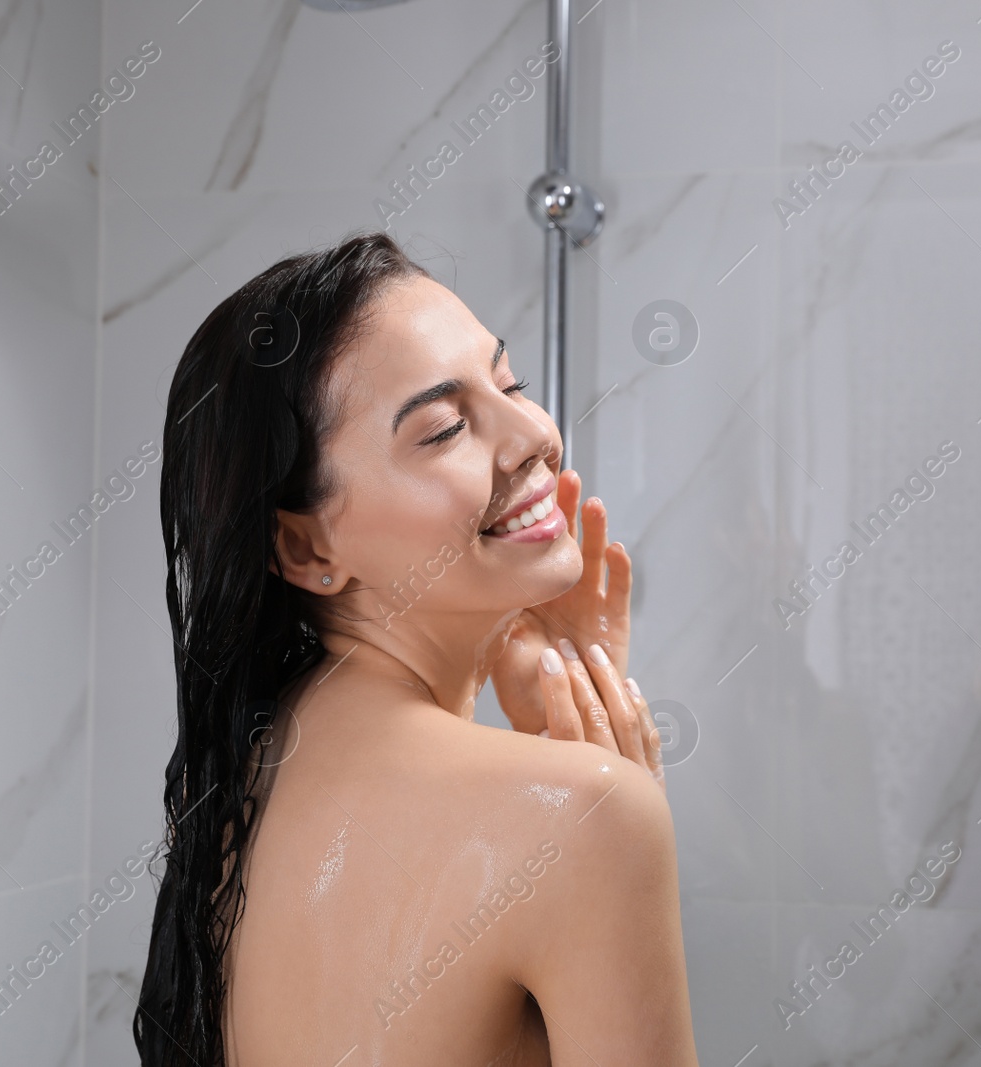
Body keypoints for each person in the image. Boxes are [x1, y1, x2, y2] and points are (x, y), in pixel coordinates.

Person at [136, 231, 697, 1066]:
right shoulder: (584, 815)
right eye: (443, 430)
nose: (535, 434)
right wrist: (613, 796)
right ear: (307, 551)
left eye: (510, 383)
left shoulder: (238, 786)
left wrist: (554, 707)